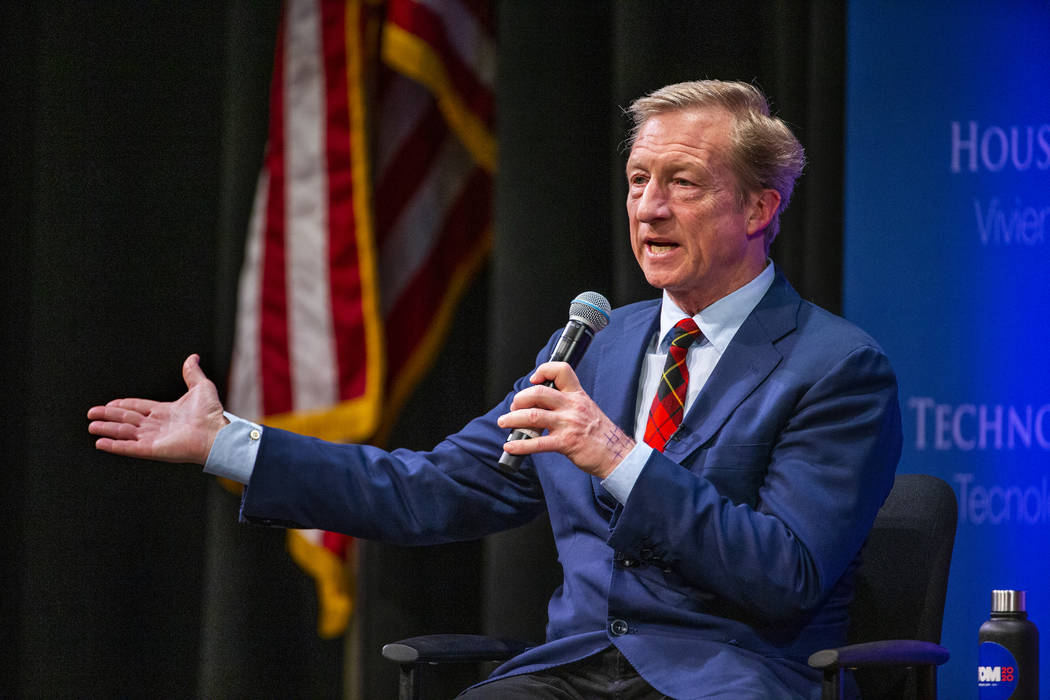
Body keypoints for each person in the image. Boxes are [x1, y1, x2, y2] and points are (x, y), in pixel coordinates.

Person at [88, 80, 901, 699]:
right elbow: (433, 490)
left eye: (682, 183)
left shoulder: (834, 367)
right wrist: (229, 440)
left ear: (760, 206)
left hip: (726, 679)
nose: (648, 208)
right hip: (569, 674)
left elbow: (785, 570)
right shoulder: (597, 345)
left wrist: (616, 456)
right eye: (637, 180)